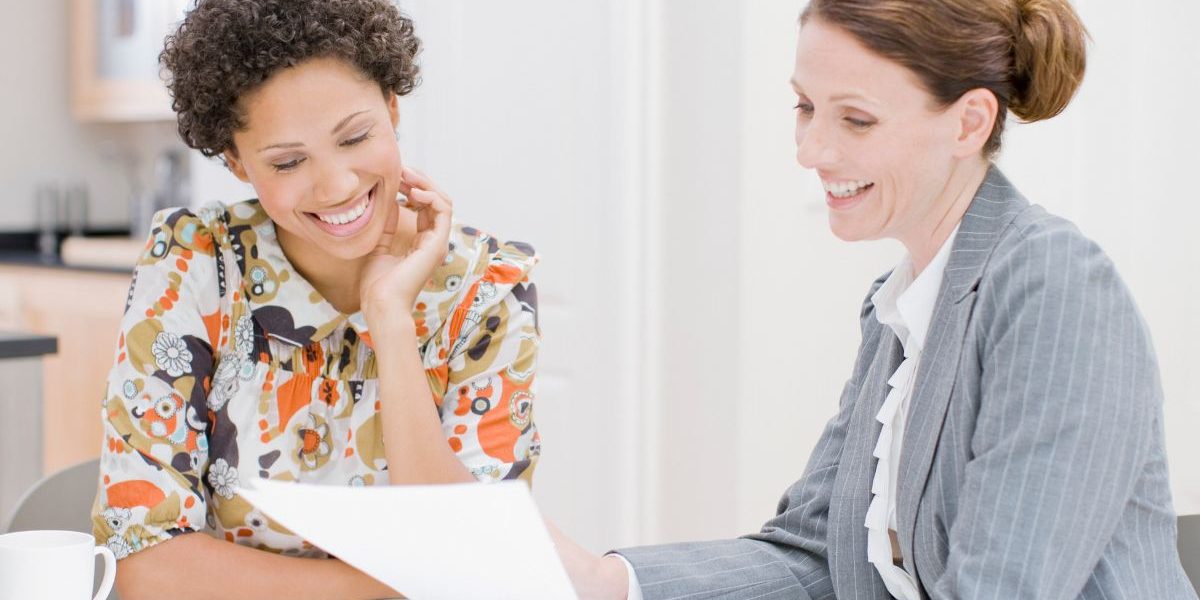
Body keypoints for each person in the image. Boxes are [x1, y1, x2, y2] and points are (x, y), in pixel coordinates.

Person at [553, 0, 1197, 598]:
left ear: (970, 121)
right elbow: (816, 555)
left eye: (855, 119)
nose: (811, 151)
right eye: (805, 107)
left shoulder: (1054, 285)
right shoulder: (898, 308)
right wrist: (603, 580)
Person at [89, 1, 541, 598]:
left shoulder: (487, 289)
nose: (336, 186)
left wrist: (391, 322)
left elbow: (474, 560)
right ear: (236, 161)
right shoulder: (194, 263)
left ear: (392, 108)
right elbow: (142, 561)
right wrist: (396, 587)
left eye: (355, 137)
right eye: (289, 161)